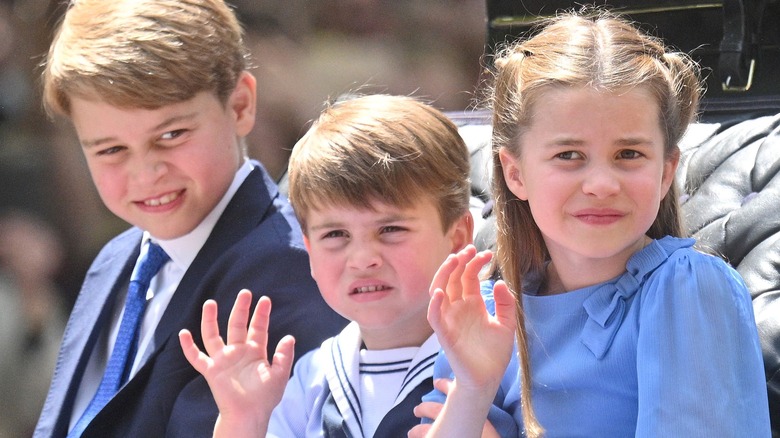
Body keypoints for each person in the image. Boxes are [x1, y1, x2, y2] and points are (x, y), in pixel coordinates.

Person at [414, 9, 772, 437]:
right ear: (515, 173)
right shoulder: (488, 313)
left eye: (629, 155)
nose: (602, 184)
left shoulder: (686, 290)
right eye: (569, 155)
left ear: (665, 172)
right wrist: (474, 389)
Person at [33, 1, 347, 437]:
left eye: (171, 135)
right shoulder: (117, 259)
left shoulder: (290, 271)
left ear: (239, 106)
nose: (145, 174)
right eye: (110, 150)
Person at [178, 94, 476, 437]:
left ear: (457, 238)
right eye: (336, 234)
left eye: (391, 230)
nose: (363, 259)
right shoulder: (312, 379)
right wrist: (243, 418)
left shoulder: (497, 357)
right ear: (309, 251)